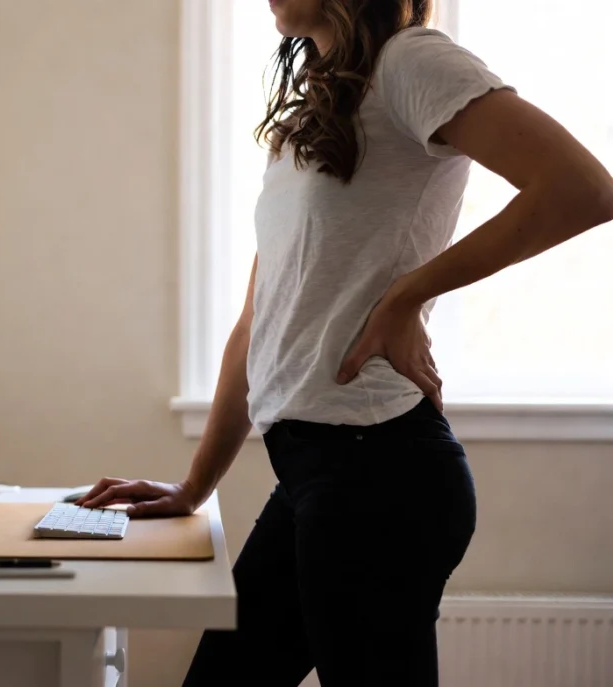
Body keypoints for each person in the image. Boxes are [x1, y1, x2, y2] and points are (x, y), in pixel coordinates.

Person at [76, 0, 613, 685]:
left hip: (379, 474)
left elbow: (583, 189)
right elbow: (255, 324)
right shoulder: (313, 114)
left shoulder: (412, 61)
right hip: (316, 473)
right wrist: (192, 486)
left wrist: (407, 294)